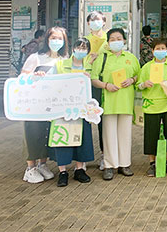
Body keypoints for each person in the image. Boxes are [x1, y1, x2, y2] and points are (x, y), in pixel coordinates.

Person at [19, 27, 69, 184]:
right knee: (33, 132)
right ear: (47, 39)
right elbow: (22, 77)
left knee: (47, 133)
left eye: (60, 38)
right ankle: (30, 168)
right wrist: (33, 76)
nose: (56, 41)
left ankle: (42, 164)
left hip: (53, 105)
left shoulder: (64, 58)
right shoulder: (36, 57)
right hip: (35, 104)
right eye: (53, 38)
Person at [90, 28, 140, 180]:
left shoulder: (131, 57)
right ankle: (109, 165)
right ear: (108, 42)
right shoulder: (102, 58)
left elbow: (138, 75)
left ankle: (125, 164)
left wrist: (131, 80)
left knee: (125, 135)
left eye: (119, 38)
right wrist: (106, 85)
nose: (116, 41)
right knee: (109, 135)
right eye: (112, 39)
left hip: (126, 101)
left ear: (124, 40)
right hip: (109, 102)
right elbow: (93, 79)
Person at [52, 37, 95, 186]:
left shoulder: (89, 67)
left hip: (82, 109)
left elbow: (94, 84)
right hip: (64, 108)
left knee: (81, 138)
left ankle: (79, 169)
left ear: (88, 51)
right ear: (73, 48)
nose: (81, 50)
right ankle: (62, 172)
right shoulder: (60, 65)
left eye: (84, 48)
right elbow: (52, 83)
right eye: (79, 47)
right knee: (62, 137)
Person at [136, 39, 167, 176]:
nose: (160, 51)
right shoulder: (147, 67)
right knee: (151, 135)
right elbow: (138, 85)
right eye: (157, 49)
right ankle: (152, 163)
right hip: (152, 105)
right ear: (153, 51)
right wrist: (144, 84)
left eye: (163, 48)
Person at [85, 10, 109, 170]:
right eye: (92, 20)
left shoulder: (109, 39)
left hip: (103, 83)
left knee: (103, 121)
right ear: (88, 24)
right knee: (84, 119)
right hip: (86, 84)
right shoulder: (84, 41)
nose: (95, 22)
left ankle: (104, 155)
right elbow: (77, 60)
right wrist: (89, 59)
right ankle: (83, 158)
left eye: (98, 19)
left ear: (104, 22)